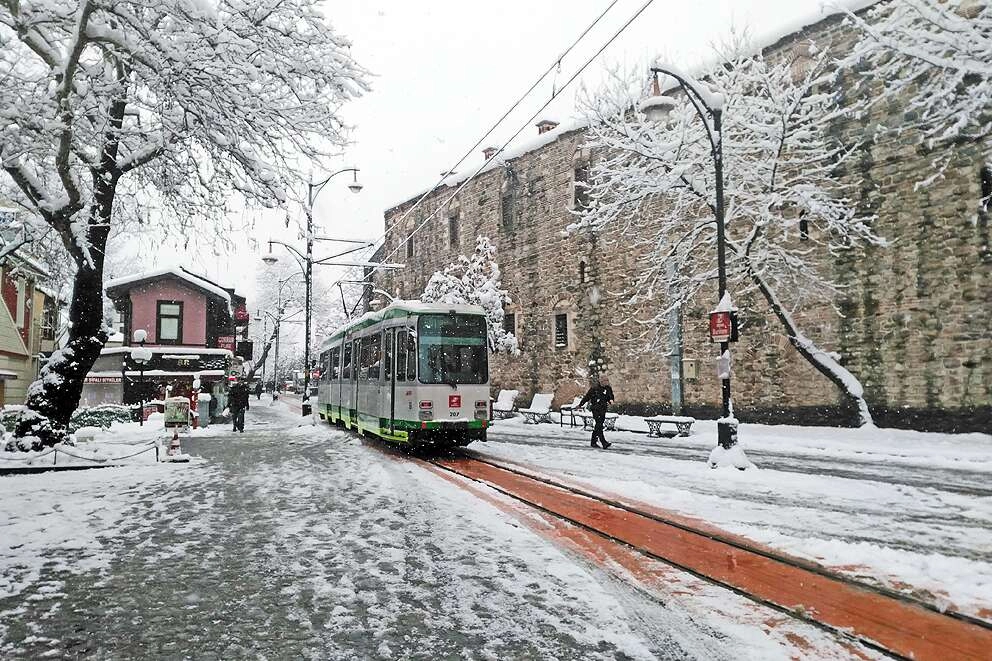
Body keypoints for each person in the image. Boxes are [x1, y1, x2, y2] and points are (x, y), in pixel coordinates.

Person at [579, 374, 615, 449]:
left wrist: (611, 400)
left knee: (598, 425)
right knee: (599, 424)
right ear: (601, 381)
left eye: (607, 381)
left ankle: (593, 442)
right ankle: (603, 442)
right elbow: (587, 397)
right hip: (595, 409)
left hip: (603, 409)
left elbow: (610, 396)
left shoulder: (608, 388)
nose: (606, 382)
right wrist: (580, 404)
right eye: (605, 381)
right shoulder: (594, 388)